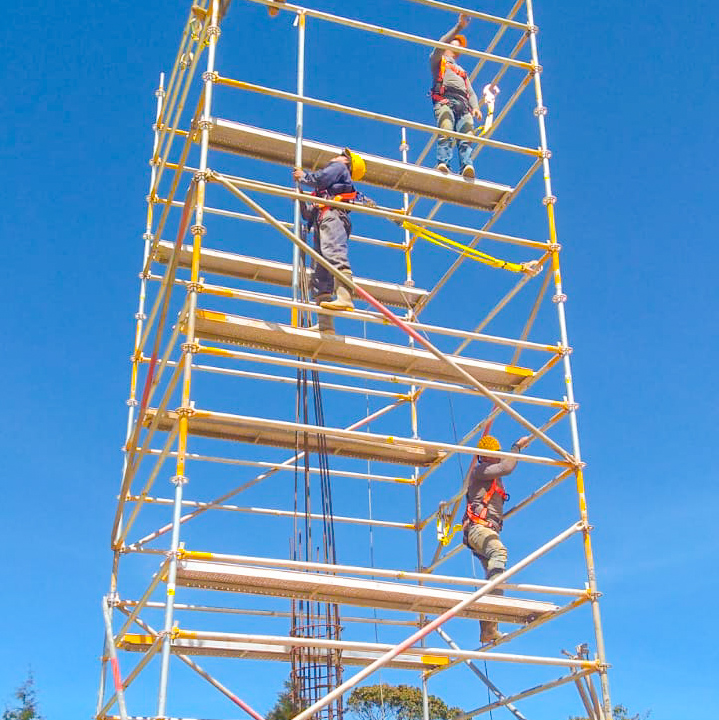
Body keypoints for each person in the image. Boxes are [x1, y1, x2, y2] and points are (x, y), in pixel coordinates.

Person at [461, 433, 531, 643]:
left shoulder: (492, 476)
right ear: (484, 456)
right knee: (498, 554)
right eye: (491, 455)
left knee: (497, 575)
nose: (495, 458)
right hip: (478, 529)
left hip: (487, 529)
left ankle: (488, 628)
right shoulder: (481, 470)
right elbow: (507, 467)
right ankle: (490, 614)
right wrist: (516, 447)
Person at [293, 148, 371, 334]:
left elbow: (319, 178)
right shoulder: (323, 193)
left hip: (333, 216)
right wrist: (300, 198)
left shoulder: (339, 168)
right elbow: (308, 215)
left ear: (347, 162)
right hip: (322, 220)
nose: (336, 156)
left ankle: (345, 296)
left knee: (334, 253)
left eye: (342, 156)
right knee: (320, 274)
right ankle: (325, 324)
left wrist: (304, 176)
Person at [429, 14, 483, 178]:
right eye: (452, 44)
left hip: (463, 105)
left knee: (466, 136)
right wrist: (458, 28)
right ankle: (443, 163)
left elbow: (470, 91)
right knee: (446, 130)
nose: (454, 48)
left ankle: (467, 166)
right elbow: (439, 45)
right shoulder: (438, 62)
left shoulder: (462, 72)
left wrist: (476, 107)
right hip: (446, 101)